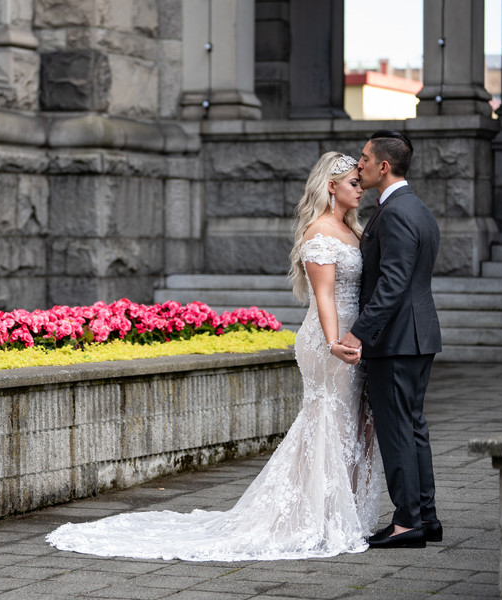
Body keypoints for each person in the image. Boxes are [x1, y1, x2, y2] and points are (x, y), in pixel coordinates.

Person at [45, 152, 381, 561]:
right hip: (327, 341)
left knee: (351, 424)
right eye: (352, 184)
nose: (360, 190)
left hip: (353, 339)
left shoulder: (353, 230)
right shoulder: (319, 233)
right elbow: (324, 295)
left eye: (359, 184)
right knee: (328, 421)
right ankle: (316, 518)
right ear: (331, 186)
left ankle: (337, 513)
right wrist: (333, 341)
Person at [339, 130, 442, 549]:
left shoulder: (396, 212)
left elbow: (393, 283)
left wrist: (357, 332)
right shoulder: (417, 208)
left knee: (398, 430)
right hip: (417, 336)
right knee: (413, 427)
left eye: (364, 158)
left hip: (397, 340)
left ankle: (406, 523)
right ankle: (426, 518)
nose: (358, 164)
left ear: (384, 166)